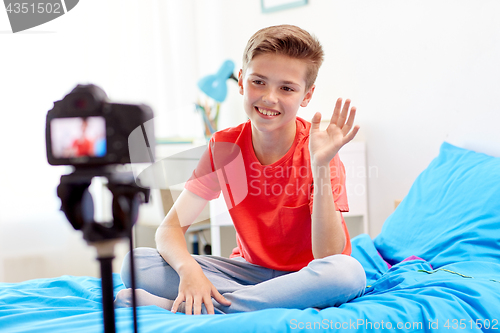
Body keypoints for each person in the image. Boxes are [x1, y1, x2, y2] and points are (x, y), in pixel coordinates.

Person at [116, 24, 366, 315]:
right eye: (259, 82)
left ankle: (202, 307)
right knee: (136, 264)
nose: (270, 97)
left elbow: (329, 255)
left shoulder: (319, 150)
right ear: (241, 83)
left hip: (305, 276)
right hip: (246, 273)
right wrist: (190, 272)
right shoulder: (224, 146)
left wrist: (320, 166)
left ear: (306, 96)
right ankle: (242, 301)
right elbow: (170, 229)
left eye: (286, 88)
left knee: (347, 272)